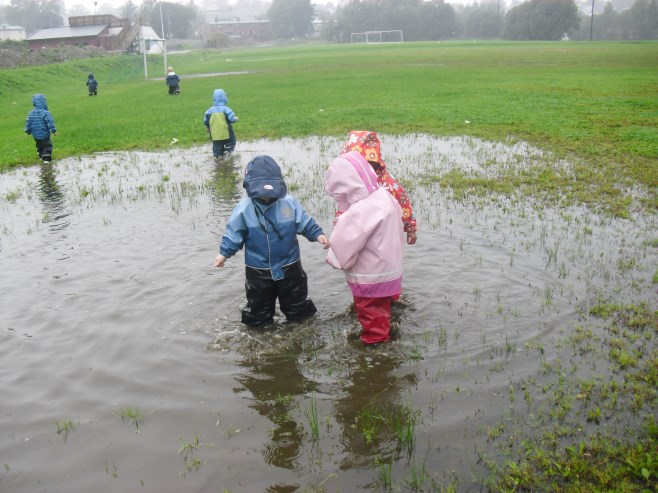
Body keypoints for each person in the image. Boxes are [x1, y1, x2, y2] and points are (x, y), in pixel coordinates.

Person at [213, 155, 329, 326]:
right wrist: (224, 254)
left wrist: (317, 234)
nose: (267, 196)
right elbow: (234, 234)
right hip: (258, 271)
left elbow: (303, 222)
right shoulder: (244, 209)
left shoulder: (289, 203)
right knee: (258, 308)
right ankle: (260, 332)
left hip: (290, 267)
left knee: (297, 303)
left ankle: (302, 327)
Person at [324, 151, 404, 345]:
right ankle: (387, 326)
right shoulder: (384, 196)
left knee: (369, 312)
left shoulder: (359, 211)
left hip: (369, 276)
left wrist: (334, 254)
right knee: (382, 306)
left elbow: (345, 244)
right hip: (391, 270)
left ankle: (375, 344)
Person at [341, 130, 417, 245]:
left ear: (375, 161)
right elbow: (343, 206)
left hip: (386, 234)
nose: (360, 168)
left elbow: (403, 201)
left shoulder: (387, 183)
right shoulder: (350, 182)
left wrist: (411, 229)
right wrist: (340, 227)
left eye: (365, 163)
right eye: (354, 163)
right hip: (360, 234)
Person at [203, 89, 239, 161]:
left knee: (217, 147)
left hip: (215, 135)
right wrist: (236, 119)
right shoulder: (226, 109)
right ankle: (227, 152)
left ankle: (218, 157)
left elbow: (206, 120)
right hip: (227, 133)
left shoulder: (209, 111)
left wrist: (207, 127)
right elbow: (231, 118)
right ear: (224, 98)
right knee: (231, 142)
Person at [25, 93, 57, 163]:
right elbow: (50, 122)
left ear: (34, 103)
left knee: (39, 145)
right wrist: (53, 131)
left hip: (35, 135)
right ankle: (46, 159)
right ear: (44, 102)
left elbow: (28, 123)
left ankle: (41, 155)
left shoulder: (31, 113)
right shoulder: (46, 113)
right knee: (47, 145)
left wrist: (28, 131)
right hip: (44, 134)